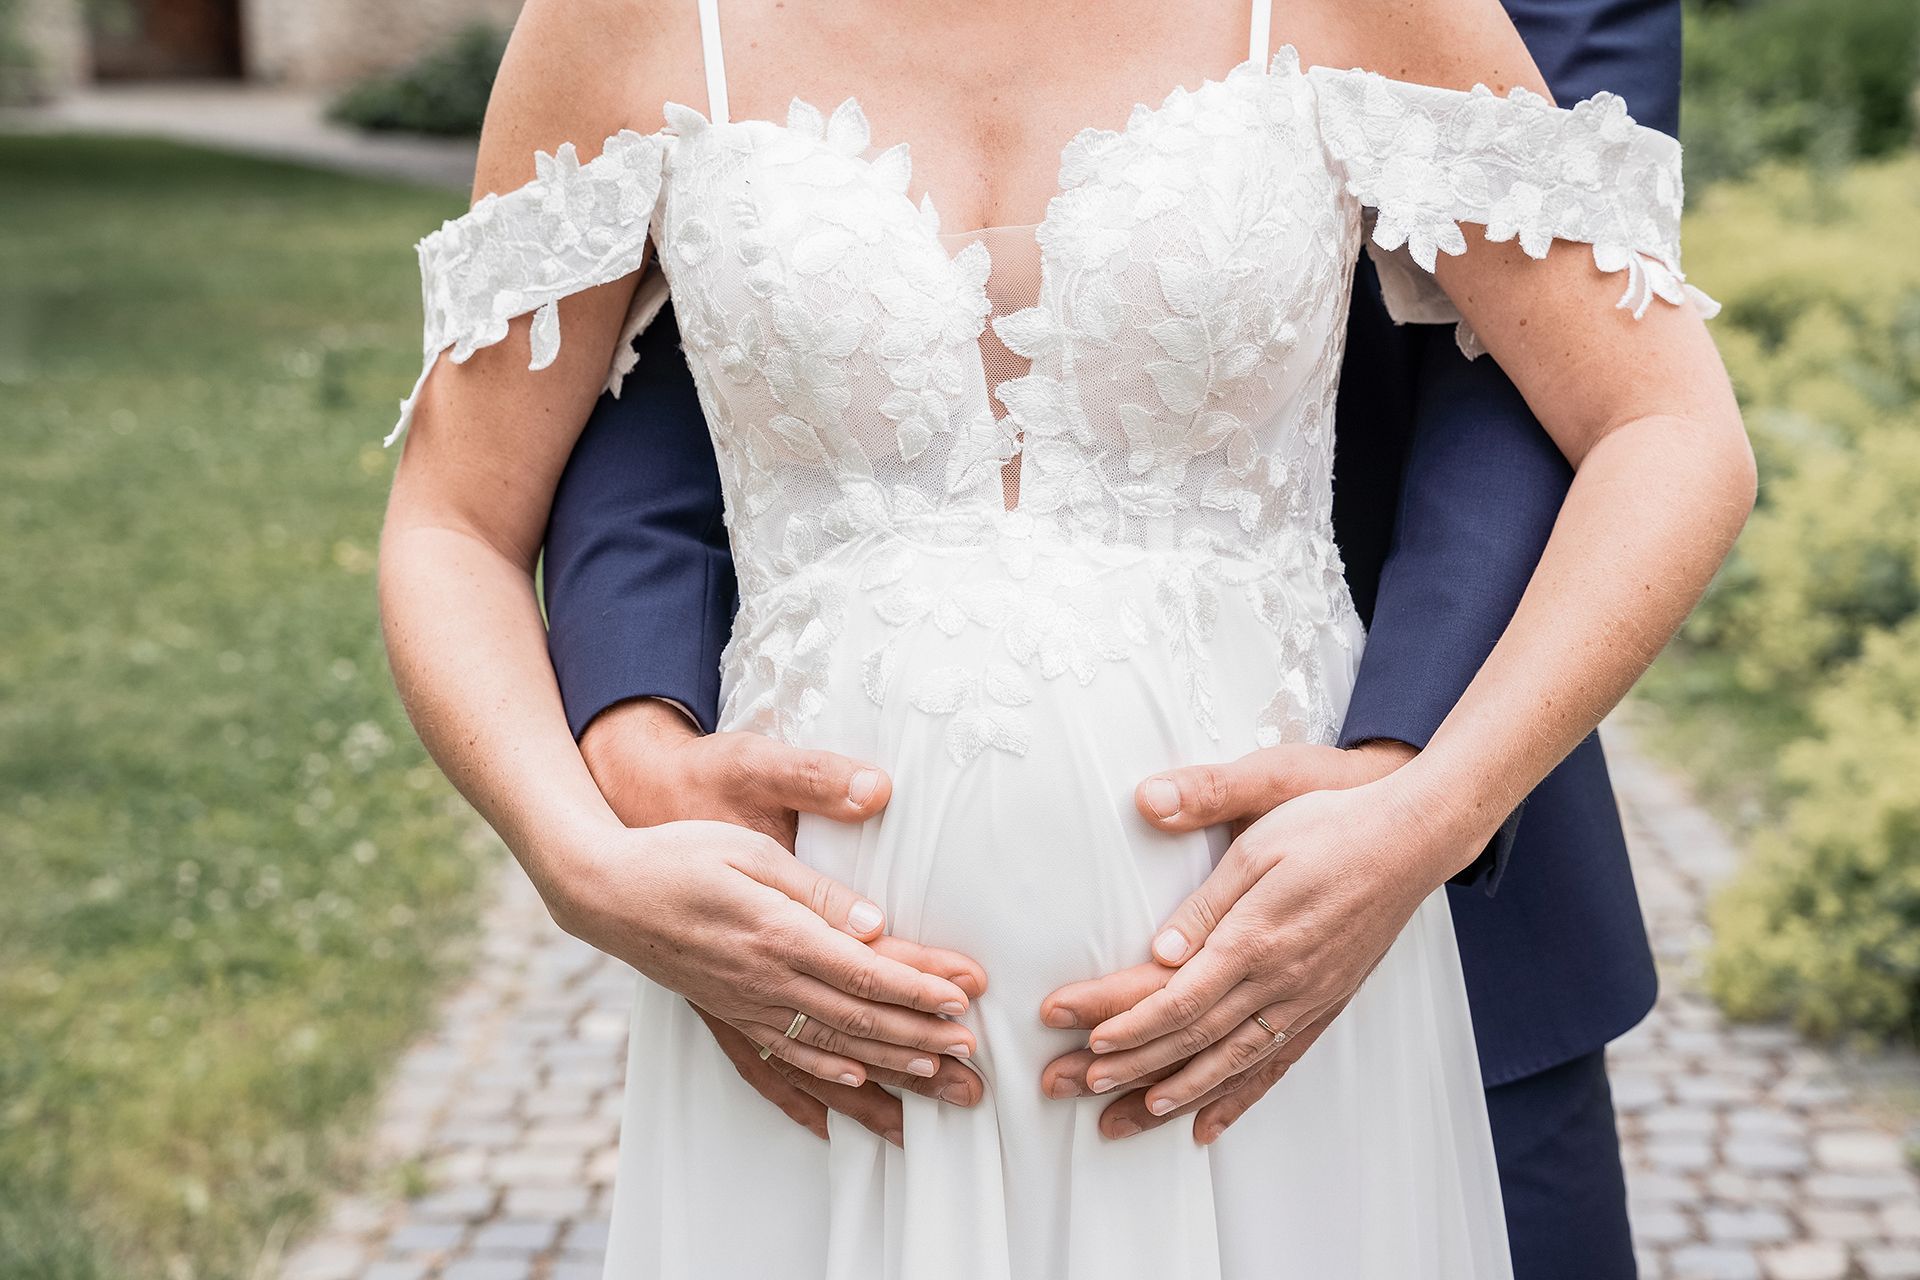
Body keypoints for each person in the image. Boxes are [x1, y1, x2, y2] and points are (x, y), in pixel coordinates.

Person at [377, 0, 1754, 1274]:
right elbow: (454, 520)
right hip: (813, 1015)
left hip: (1279, 975)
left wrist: (1429, 815)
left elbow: (1667, 427)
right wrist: (579, 858)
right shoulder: (631, 21)